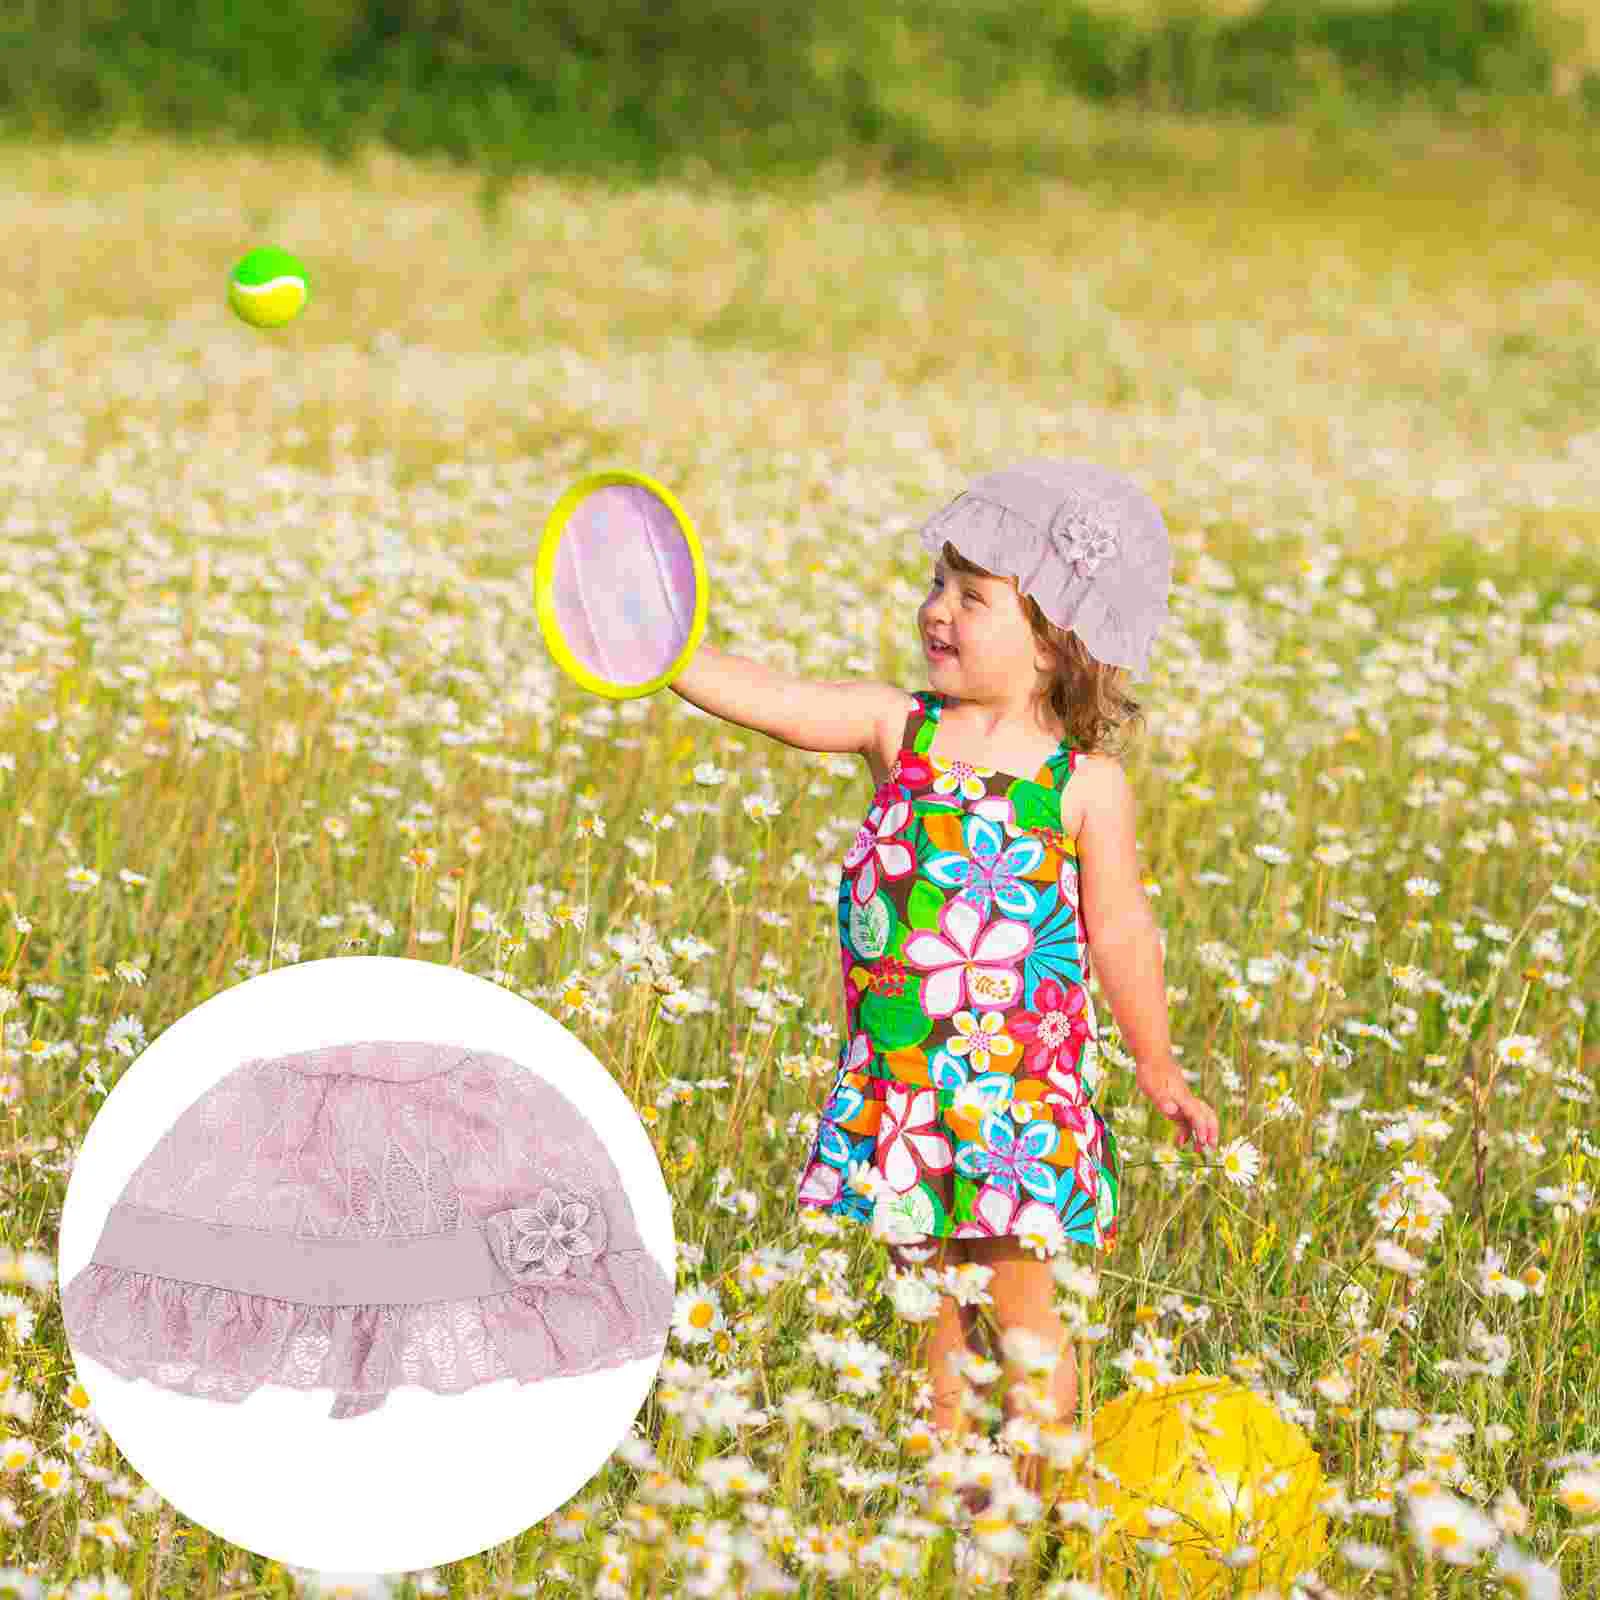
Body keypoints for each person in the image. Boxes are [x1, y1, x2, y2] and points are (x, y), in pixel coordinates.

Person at [669, 458, 1219, 1510]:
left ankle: (1039, 1509)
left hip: (1017, 1104)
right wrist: (665, 650)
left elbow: (1121, 931)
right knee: (933, 1318)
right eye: (937, 584)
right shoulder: (899, 729)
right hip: (906, 1093)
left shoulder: (1081, 786)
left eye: (974, 597)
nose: (936, 609)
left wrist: (1156, 1064)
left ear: (1055, 640)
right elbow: (776, 701)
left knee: (1021, 1316)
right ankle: (957, 1519)